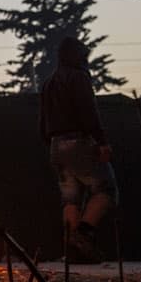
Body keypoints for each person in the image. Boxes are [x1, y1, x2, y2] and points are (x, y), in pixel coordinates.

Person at [41, 36, 118, 264]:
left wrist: (53, 145)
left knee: (70, 199)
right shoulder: (79, 77)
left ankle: (73, 252)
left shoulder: (49, 83)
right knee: (106, 190)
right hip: (79, 141)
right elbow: (88, 112)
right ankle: (82, 236)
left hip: (56, 145)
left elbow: (41, 121)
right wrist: (101, 141)